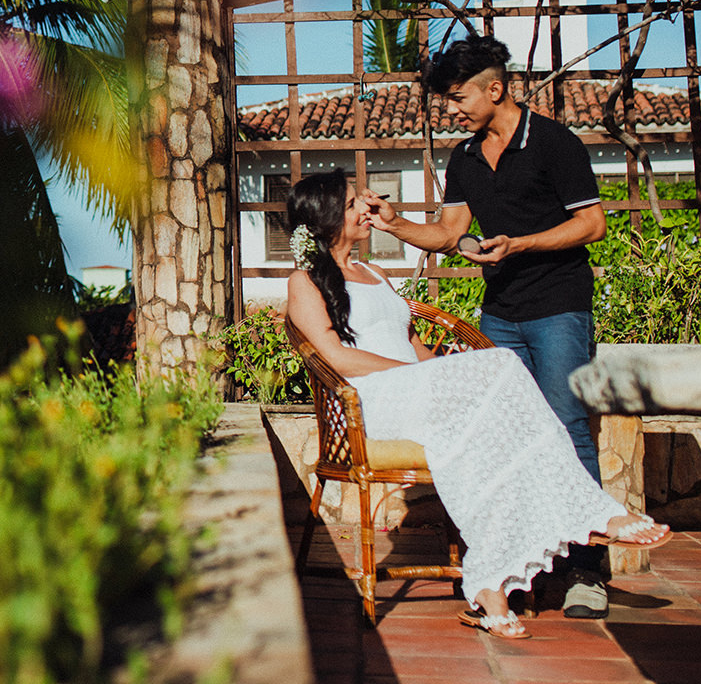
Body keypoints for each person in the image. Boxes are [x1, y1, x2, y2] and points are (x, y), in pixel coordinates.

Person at [286, 170, 669, 640]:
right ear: (325, 217)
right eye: (351, 204)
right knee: (504, 364)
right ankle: (588, 513)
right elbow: (338, 357)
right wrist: (422, 374)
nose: (366, 207)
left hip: (419, 391)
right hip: (374, 403)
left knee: (495, 431)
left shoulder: (375, 273)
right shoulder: (303, 282)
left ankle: (489, 587)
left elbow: (413, 342)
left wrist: (444, 373)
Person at [358, 34, 615, 619]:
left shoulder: (553, 142)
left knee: (569, 429)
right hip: (500, 313)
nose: (452, 108)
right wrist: (396, 224)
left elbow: (593, 225)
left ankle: (585, 573)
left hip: (558, 308)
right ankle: (509, 566)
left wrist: (523, 243)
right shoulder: (466, 157)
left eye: (458, 97)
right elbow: (448, 234)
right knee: (500, 434)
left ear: (494, 88)